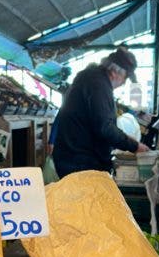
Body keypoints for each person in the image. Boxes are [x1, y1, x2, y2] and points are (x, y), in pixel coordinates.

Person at [52, 47, 149, 178]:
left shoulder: (92, 79)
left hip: (74, 157)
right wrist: (134, 146)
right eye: (125, 79)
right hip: (80, 162)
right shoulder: (98, 84)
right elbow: (104, 127)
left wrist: (126, 139)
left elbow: (99, 121)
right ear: (116, 73)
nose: (123, 83)